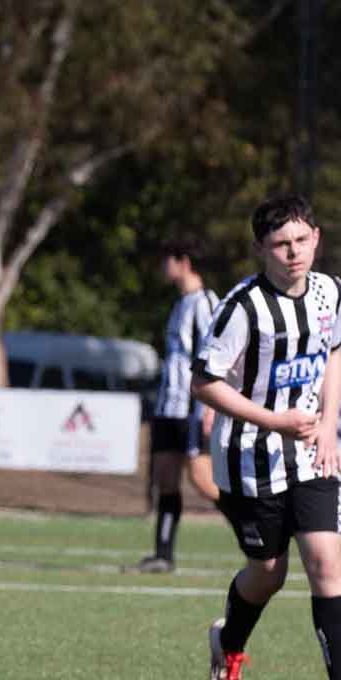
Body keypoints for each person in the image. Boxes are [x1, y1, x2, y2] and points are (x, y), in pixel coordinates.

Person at [190, 193, 341, 680]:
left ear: (316, 238)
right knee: (268, 572)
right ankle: (228, 644)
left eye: (301, 240)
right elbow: (204, 382)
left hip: (312, 453)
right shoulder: (243, 308)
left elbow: (333, 352)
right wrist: (273, 421)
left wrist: (329, 423)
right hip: (248, 457)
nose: (293, 252)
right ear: (260, 249)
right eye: (280, 244)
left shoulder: (330, 291)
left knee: (326, 563)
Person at [130, 238, 221, 574]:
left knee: (202, 479)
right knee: (165, 478)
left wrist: (210, 406)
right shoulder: (180, 303)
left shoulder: (206, 303)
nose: (162, 267)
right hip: (168, 407)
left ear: (183, 262)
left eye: (166, 259)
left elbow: (215, 357)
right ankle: (163, 555)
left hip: (191, 408)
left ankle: (254, 535)